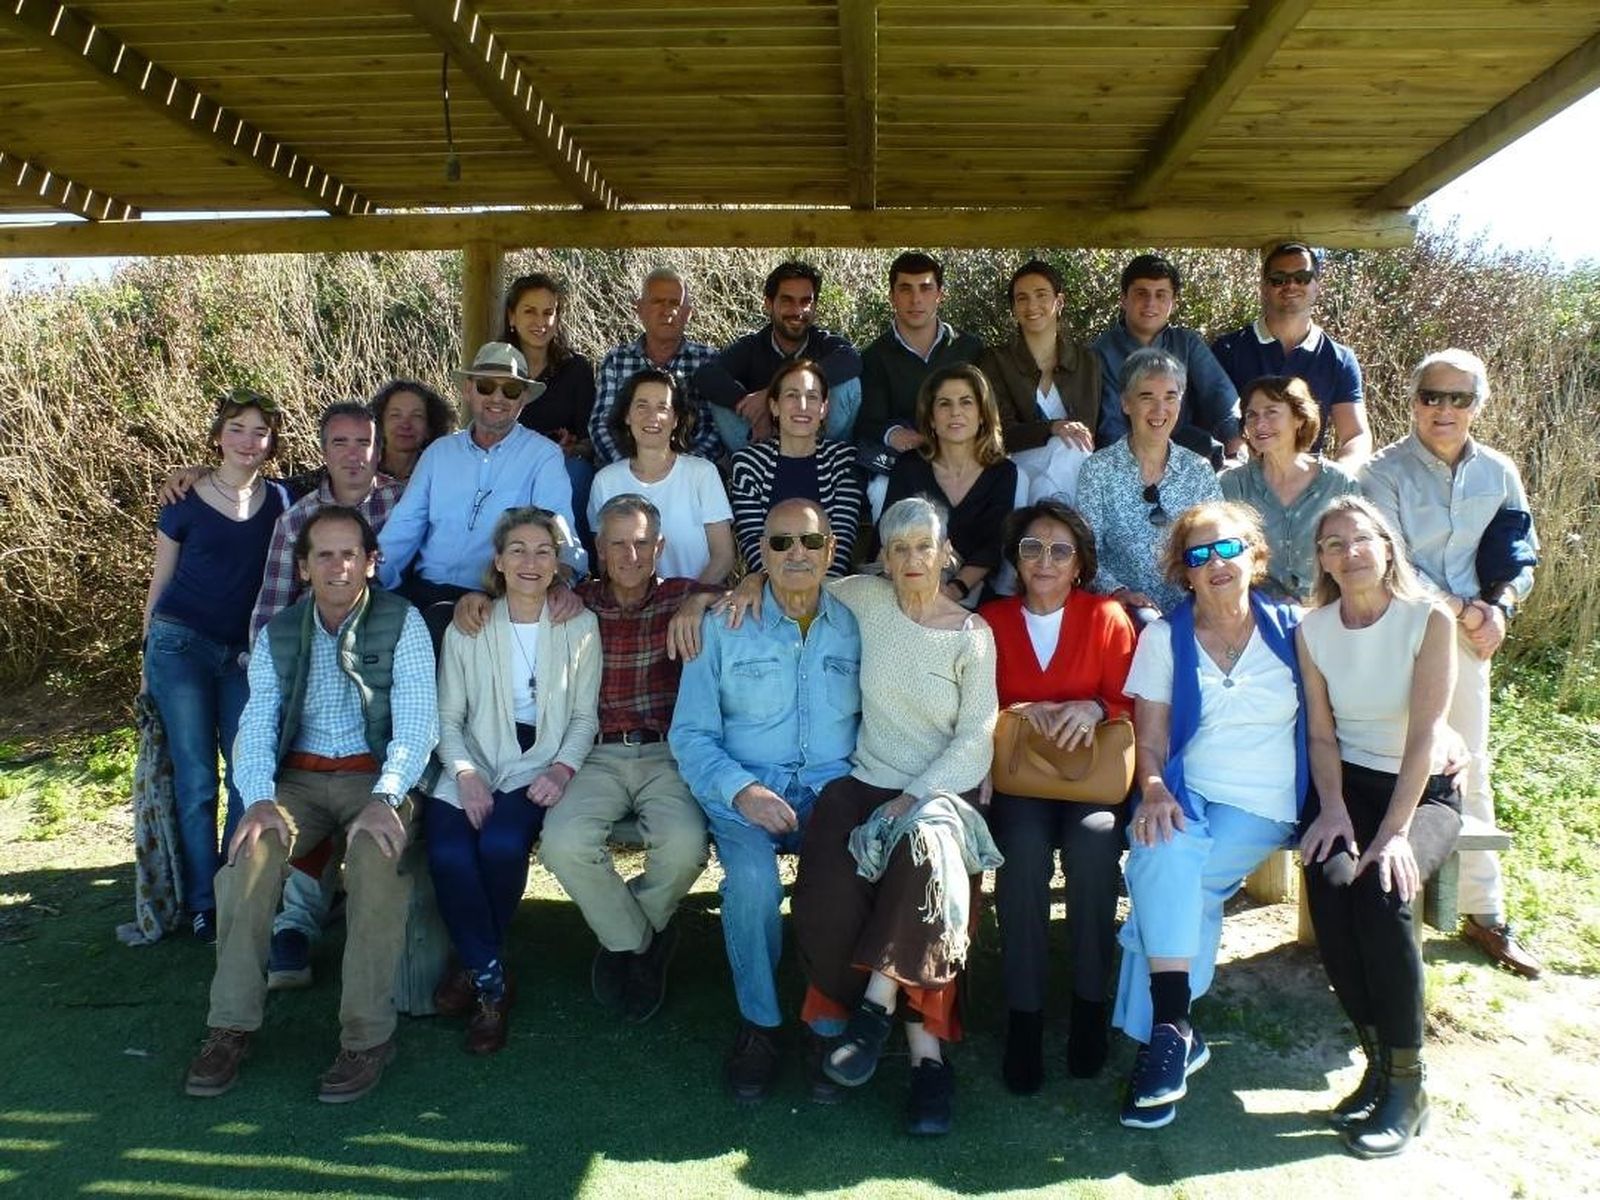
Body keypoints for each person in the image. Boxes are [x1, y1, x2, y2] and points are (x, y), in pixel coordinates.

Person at [182, 507, 437, 1103]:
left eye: (350, 553)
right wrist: (259, 798)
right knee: (249, 857)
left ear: (371, 563)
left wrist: (388, 795)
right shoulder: (279, 631)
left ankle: (367, 1037)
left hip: (374, 779)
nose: (338, 566)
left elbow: (419, 721)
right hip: (297, 781)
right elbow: (259, 720)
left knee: (376, 860)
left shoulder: (404, 622)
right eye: (323, 554)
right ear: (303, 567)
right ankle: (229, 1027)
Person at [778, 497, 1000, 1136]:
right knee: (829, 888)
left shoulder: (970, 635)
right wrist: (741, 583)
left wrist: (915, 797)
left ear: (944, 551)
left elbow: (976, 737)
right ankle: (842, 1027)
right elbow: (795, 574)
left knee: (929, 867)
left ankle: (911, 1046)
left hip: (938, 794)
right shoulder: (864, 600)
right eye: (898, 548)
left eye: (922, 547)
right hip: (863, 780)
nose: (911, 560)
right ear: (885, 555)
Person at [1112, 501, 1307, 1130]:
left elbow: (1352, 707)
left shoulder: (1297, 630)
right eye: (1199, 555)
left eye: (1228, 549)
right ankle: (1173, 1031)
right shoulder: (1165, 637)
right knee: (1164, 852)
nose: (1216, 563)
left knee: (1168, 877)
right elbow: (1153, 741)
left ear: (1256, 555)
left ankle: (1160, 1034)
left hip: (1266, 803)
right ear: (1184, 574)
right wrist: (1153, 790)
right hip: (1190, 794)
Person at [668, 499, 861, 1101]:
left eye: (809, 542)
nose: (796, 554)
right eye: (780, 544)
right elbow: (690, 735)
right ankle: (761, 1024)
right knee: (752, 885)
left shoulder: (859, 623)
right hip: (746, 791)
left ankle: (827, 1025)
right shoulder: (724, 625)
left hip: (833, 791)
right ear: (762, 555)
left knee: (841, 880)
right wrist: (743, 791)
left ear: (831, 550)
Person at [1360, 349, 1541, 978]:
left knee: (1471, 767)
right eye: (1431, 396)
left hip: (1470, 641)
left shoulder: (1500, 471)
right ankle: (1382, 899)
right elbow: (1391, 561)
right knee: (1391, 763)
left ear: (1477, 405)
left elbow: (1518, 552)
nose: (1443, 409)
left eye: (1458, 398)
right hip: (1399, 635)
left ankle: (1484, 912)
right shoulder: (1379, 472)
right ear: (1413, 400)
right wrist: (1468, 611)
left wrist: (1501, 608)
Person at [1298, 496, 1462, 1158]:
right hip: (1349, 789)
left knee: (1384, 893)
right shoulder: (1314, 630)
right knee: (1331, 881)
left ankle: (1409, 1082)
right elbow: (1320, 732)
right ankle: (1375, 1063)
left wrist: (1393, 833)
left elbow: (1426, 737)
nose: (1348, 553)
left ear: (1387, 546)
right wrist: (1333, 809)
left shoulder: (1429, 620)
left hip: (1421, 794)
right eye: (1332, 545)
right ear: (1322, 562)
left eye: (1359, 539)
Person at [427, 508, 600, 1055]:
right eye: (518, 550)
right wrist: (466, 776)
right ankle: (492, 981)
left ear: (558, 564)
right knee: (451, 853)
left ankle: (472, 965)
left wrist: (562, 767)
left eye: (543, 550)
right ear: (498, 562)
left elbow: (583, 718)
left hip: (538, 762)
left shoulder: (579, 624)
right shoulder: (469, 624)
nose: (530, 561)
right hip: (470, 760)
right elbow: (446, 720)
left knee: (502, 843)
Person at [246, 401, 405, 989]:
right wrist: (282, 672)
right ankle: (293, 925)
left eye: (363, 441)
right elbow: (270, 608)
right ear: (325, 450)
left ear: (377, 446)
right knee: (294, 792)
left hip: (391, 664)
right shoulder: (298, 519)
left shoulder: (402, 498)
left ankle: (360, 949)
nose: (353, 454)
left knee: (372, 801)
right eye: (340, 443)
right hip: (314, 673)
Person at [978, 500, 1135, 1094]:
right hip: (1019, 780)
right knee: (1020, 853)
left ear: (1080, 565)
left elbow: (1132, 701)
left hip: (1090, 778)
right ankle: (1025, 1015)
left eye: (1060, 550)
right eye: (1032, 548)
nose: (1045, 561)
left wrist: (1093, 706)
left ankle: (1090, 1005)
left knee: (1096, 846)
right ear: (1016, 559)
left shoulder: (1107, 617)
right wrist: (1021, 710)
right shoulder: (990, 621)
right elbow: (971, 705)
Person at [537, 494, 714, 1023]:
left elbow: (748, 590)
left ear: (660, 546)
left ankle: (624, 933)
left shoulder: (683, 595)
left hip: (667, 753)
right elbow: (509, 600)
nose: (630, 553)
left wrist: (702, 602)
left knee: (685, 846)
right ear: (598, 547)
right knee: (563, 844)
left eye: (641, 542)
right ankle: (640, 941)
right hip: (595, 753)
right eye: (617, 542)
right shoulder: (576, 603)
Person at [142, 388, 290, 943]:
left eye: (260, 430)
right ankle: (204, 904)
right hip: (180, 645)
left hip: (242, 655)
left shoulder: (280, 500)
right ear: (217, 435)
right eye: (236, 428)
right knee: (198, 779)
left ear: (272, 441)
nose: (248, 440)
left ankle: (236, 891)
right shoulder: (183, 499)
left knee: (246, 773)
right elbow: (160, 583)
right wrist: (144, 661)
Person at [377, 341, 583, 647]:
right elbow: (402, 530)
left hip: (499, 599)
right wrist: (370, 581)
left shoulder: (544, 456)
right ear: (469, 390)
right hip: (425, 591)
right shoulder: (439, 453)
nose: (497, 397)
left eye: (510, 390)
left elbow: (558, 531)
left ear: (523, 398)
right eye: (486, 386)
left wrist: (564, 579)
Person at [1075, 348, 1222, 618]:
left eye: (1170, 397)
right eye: (1146, 397)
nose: (1159, 409)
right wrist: (1119, 592)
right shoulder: (1097, 470)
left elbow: (1217, 543)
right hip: (1122, 614)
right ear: (1125, 403)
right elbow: (1085, 553)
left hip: (1193, 611)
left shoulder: (1198, 471)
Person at [1210, 243, 1371, 465]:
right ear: (1264, 287)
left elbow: (1356, 436)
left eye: (1302, 277)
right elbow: (1214, 423)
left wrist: (1334, 480)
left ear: (1317, 286)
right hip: (1242, 479)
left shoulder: (1339, 359)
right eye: (1279, 278)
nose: (1291, 285)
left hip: (1309, 485)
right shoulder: (1227, 349)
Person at [878, 363, 1018, 606]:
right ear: (931, 418)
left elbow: (993, 545)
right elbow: (889, 534)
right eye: (944, 404)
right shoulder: (909, 467)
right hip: (907, 583)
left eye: (966, 402)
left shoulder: (1002, 473)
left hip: (970, 590)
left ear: (982, 414)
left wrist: (954, 590)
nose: (955, 412)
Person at [586, 367, 735, 583]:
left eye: (662, 407)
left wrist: (689, 603)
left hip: (696, 608)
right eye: (642, 406)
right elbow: (604, 562)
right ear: (626, 416)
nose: (652, 417)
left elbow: (723, 557)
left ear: (676, 419)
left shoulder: (703, 473)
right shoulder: (605, 481)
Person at [694, 260, 864, 450]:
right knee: (721, 397)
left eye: (805, 301)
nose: (798, 310)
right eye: (787, 300)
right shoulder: (752, 346)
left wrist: (770, 397)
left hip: (818, 445)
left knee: (848, 385)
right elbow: (706, 375)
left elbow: (852, 360)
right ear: (768, 304)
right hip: (762, 444)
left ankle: (829, 461)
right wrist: (751, 408)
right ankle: (755, 465)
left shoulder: (823, 342)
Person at [1219, 376, 1361, 601]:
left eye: (1271, 412)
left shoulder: (1338, 483)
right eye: (1251, 415)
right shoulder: (1231, 485)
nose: (1259, 423)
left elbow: (1356, 555)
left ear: (1299, 418)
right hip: (1258, 618)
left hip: (1328, 613)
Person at [1093, 253, 1242, 463]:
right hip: (1125, 456)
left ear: (1173, 302)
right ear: (1124, 299)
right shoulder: (1102, 350)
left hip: (1186, 450)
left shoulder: (1187, 343)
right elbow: (1109, 422)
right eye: (1141, 293)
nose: (1150, 303)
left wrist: (1235, 440)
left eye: (1161, 294)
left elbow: (1219, 393)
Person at [979, 259, 1100, 504]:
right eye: (1022, 298)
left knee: (1072, 449)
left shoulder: (1087, 361)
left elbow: (1086, 432)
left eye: (1041, 295)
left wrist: (1062, 433)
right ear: (1013, 308)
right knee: (1065, 450)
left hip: (1073, 464)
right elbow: (999, 434)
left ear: (1059, 301)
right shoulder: (994, 361)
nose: (1032, 305)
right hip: (1015, 463)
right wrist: (1051, 427)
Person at [728, 359, 864, 576]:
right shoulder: (748, 464)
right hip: (769, 588)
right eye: (792, 395)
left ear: (823, 409)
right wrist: (779, 591)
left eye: (811, 397)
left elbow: (840, 545)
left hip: (830, 587)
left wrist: (816, 596)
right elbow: (755, 545)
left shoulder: (843, 462)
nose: (802, 406)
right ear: (774, 406)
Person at [854, 251, 984, 477]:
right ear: (892, 296)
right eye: (905, 289)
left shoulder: (969, 349)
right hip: (902, 464)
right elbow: (869, 423)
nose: (916, 299)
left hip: (965, 456)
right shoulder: (875, 357)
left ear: (940, 295)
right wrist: (895, 434)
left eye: (925, 288)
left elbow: (988, 412)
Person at [502, 272, 598, 547]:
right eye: (530, 311)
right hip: (505, 464)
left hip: (560, 465)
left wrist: (571, 448)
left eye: (548, 313)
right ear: (512, 316)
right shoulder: (495, 367)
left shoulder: (576, 369)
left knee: (577, 474)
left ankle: (572, 566)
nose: (540, 322)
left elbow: (589, 441)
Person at [589, 268, 722, 465]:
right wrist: (632, 468)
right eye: (657, 302)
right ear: (639, 309)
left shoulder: (708, 360)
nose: (667, 310)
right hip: (624, 470)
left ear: (688, 314)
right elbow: (602, 425)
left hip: (690, 473)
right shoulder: (616, 360)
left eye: (675, 303)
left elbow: (715, 428)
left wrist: (680, 471)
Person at [371, 379, 455, 485]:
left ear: (429, 428)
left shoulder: (442, 475)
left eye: (416, 416)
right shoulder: (363, 469)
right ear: (380, 424)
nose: (405, 425)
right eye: (395, 415)